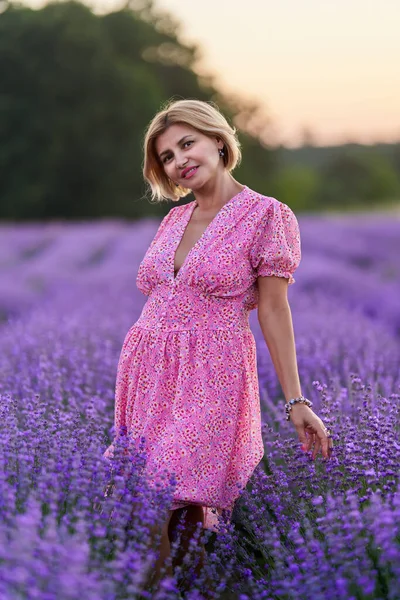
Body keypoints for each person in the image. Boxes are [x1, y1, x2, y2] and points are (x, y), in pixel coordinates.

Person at [103, 98, 333, 594]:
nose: (180, 159)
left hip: (213, 374)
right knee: (178, 521)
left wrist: (296, 401)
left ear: (218, 141)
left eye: (188, 143)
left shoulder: (267, 215)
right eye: (166, 156)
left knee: (156, 497)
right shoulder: (172, 221)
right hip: (148, 374)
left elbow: (274, 310)